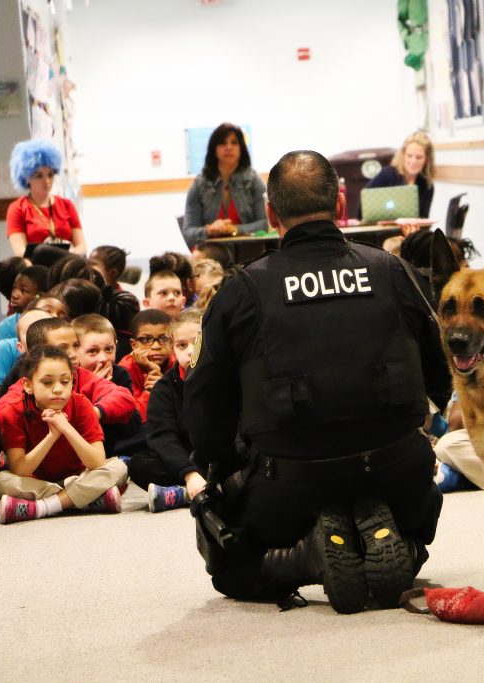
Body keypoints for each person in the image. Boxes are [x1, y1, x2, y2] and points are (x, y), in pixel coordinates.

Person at [184, 150, 450, 613]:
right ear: (342, 206)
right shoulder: (393, 272)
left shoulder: (242, 290)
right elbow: (442, 376)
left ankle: (309, 555)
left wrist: (221, 467)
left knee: (230, 568)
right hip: (398, 473)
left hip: (290, 486)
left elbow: (204, 403)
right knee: (415, 531)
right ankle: (401, 547)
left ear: (270, 215)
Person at [0, 345, 128, 524]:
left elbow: (96, 462)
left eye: (64, 382)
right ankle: (84, 500)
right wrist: (51, 436)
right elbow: (20, 469)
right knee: (1, 482)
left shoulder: (81, 404)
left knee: (118, 467)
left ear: (72, 380)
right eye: (47, 382)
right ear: (28, 385)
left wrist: (66, 428)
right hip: (37, 482)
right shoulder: (14, 410)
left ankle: (43, 507)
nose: (57, 389)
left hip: (78, 477)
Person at [128, 310, 207, 512]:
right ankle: (194, 489)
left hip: (217, 456)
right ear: (172, 348)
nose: (190, 351)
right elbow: (162, 436)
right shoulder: (164, 388)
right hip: (184, 459)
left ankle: (186, 494)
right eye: (182, 345)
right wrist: (189, 474)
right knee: (139, 464)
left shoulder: (227, 378)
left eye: (197, 342)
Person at [182, 123, 267, 247]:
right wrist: (209, 230)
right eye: (222, 143)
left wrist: (235, 230)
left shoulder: (254, 180)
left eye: (234, 142)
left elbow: (266, 224)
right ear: (214, 150)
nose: (229, 147)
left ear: (241, 149)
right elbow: (188, 234)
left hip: (250, 253)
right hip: (211, 256)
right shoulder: (198, 184)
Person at [6, 139, 87, 260]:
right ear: (26, 178)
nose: (47, 182)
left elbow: (82, 246)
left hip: (68, 269)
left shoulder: (67, 205)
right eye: (39, 176)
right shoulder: (17, 208)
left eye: (50, 174)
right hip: (37, 272)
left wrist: (68, 257)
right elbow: (20, 252)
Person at [362, 131, 436, 219]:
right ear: (403, 155)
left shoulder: (427, 185)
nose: (413, 161)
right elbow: (363, 206)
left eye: (419, 157)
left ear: (427, 160)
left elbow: (424, 220)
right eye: (409, 156)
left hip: (412, 232)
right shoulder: (387, 174)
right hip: (381, 230)